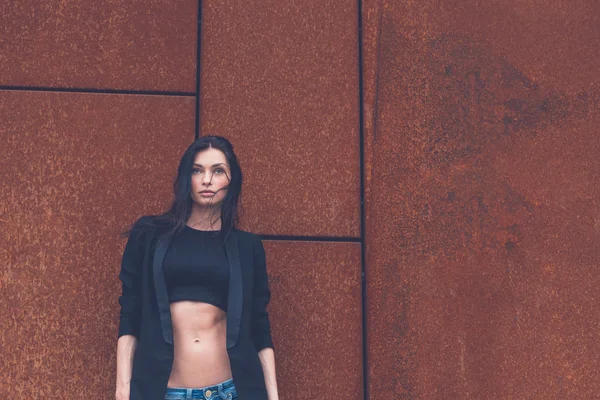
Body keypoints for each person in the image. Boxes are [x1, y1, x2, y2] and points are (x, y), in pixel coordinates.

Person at [115, 136, 279, 400]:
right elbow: (130, 314)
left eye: (217, 171)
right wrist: (123, 390)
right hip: (164, 392)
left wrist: (273, 396)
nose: (206, 180)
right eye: (197, 170)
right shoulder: (149, 236)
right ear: (185, 178)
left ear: (231, 180)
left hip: (232, 391)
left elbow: (259, 327)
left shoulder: (247, 247)